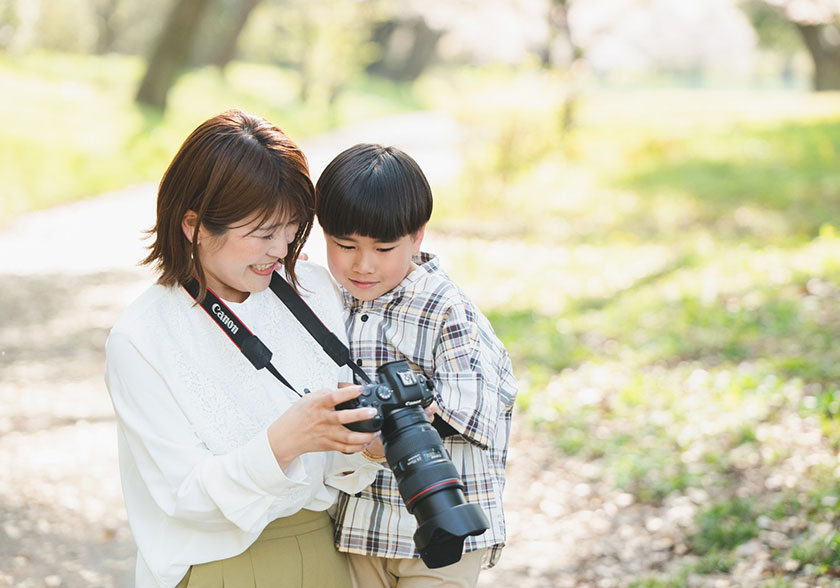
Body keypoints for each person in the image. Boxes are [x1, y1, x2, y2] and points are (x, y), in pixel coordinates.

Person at [104, 110, 387, 588]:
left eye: (291, 228)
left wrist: (373, 447)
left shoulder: (315, 289)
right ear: (193, 224)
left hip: (327, 551)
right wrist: (285, 441)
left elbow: (339, 464)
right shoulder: (141, 336)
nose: (279, 249)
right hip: (216, 568)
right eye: (261, 233)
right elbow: (185, 497)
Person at [314, 143, 518, 588]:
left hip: (443, 530)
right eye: (344, 245)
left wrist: (407, 412)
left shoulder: (445, 309)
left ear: (417, 237)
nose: (362, 264)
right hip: (362, 527)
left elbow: (477, 412)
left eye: (384, 248)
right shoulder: (326, 303)